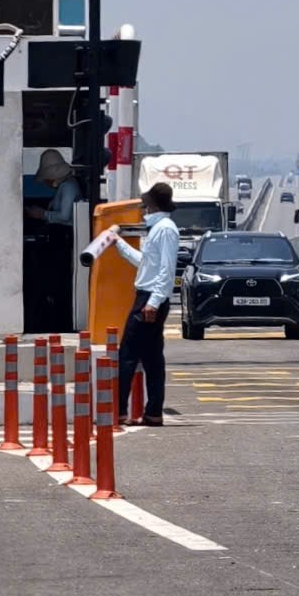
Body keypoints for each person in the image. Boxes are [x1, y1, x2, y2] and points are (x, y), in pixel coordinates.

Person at [99, 182, 179, 427]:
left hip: (150, 298)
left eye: (145, 206)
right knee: (152, 357)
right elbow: (146, 264)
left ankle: (120, 411)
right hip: (149, 296)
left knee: (128, 353)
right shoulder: (158, 229)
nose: (143, 211)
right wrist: (119, 243)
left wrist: (153, 302)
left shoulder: (165, 230)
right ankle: (152, 412)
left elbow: (166, 270)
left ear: (152, 205)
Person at [33, 150, 80, 233]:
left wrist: (42, 214)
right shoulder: (66, 185)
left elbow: (64, 216)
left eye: (46, 179)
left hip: (67, 233)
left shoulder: (68, 186)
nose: (46, 182)